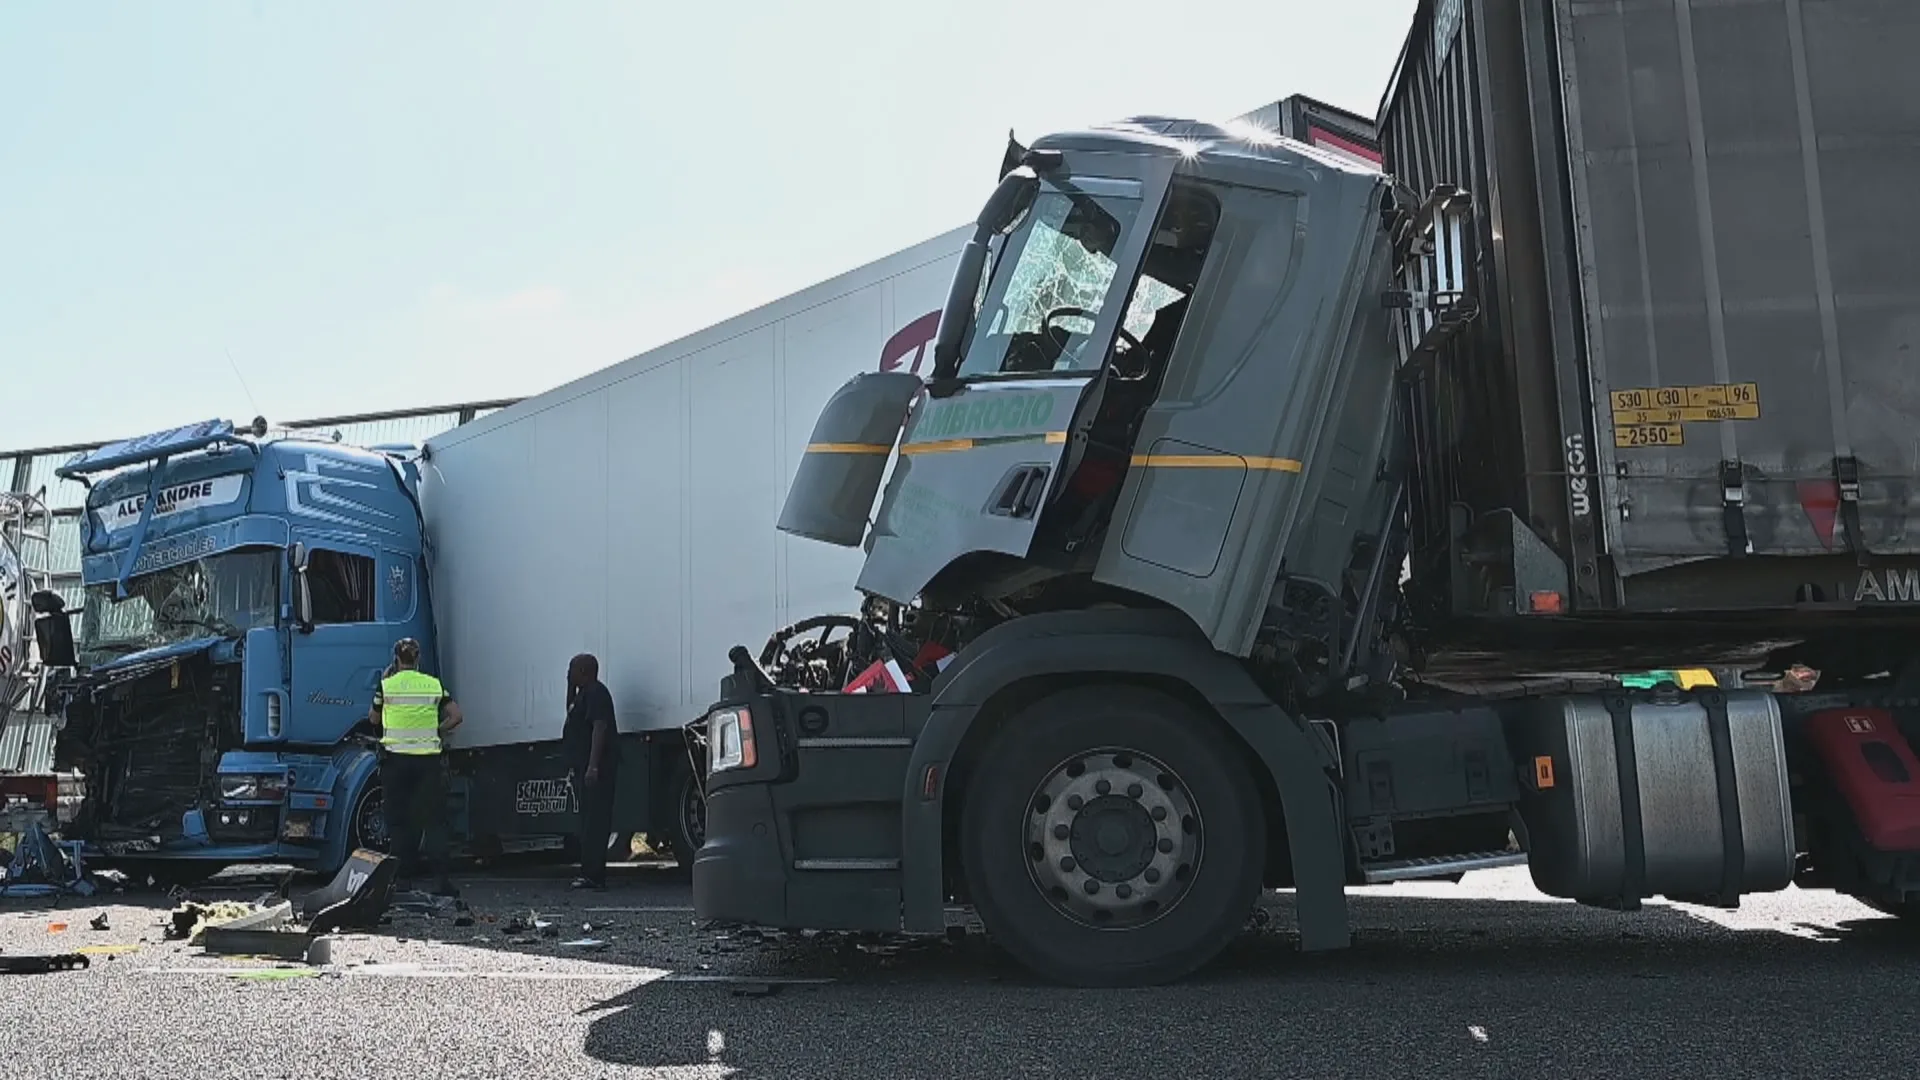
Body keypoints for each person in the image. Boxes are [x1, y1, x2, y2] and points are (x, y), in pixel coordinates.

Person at [368, 637, 463, 896]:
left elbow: (373, 718)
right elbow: (456, 716)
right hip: (428, 763)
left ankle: (401, 881)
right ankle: (442, 881)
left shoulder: (387, 685)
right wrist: (436, 729)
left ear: (396, 658)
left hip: (397, 762)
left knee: (400, 823)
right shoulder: (433, 685)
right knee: (433, 822)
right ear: (418, 658)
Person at [562, 653, 619, 890]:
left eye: (572, 669)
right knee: (587, 821)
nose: (569, 673)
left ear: (584, 671)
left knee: (595, 822)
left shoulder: (597, 693)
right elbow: (570, 710)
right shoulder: (583, 694)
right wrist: (569, 686)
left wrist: (593, 765)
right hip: (585, 766)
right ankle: (589, 872)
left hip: (598, 769)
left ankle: (594, 875)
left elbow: (599, 727)